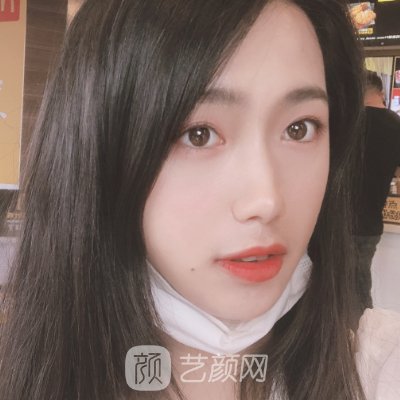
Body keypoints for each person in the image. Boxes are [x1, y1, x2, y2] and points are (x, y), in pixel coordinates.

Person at [0, 1, 399, 399]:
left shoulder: (378, 371)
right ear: (100, 148)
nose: (266, 200)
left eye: (299, 129)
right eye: (199, 134)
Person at [354, 70, 400, 311]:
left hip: (333, 224)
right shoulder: (396, 125)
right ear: (381, 93)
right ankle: (360, 330)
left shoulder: (345, 123)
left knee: (327, 287)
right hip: (369, 226)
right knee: (360, 288)